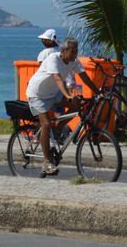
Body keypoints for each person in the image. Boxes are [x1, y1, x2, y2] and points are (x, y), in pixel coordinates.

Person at [25, 36, 83, 176]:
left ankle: (57, 130)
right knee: (45, 124)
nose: (75, 54)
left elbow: (84, 75)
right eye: (73, 51)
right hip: (37, 94)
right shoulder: (53, 58)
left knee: (76, 105)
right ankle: (46, 162)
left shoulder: (73, 61)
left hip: (53, 93)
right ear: (64, 51)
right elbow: (57, 78)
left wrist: (97, 92)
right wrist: (68, 95)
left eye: (76, 51)